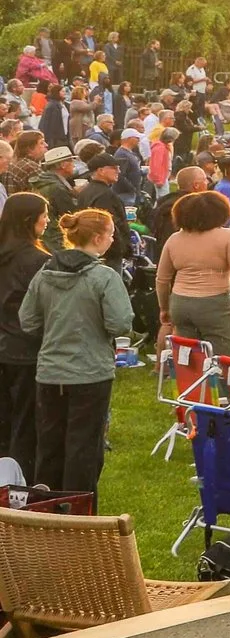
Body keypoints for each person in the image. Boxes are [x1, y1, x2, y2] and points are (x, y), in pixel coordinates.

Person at [18, 207, 132, 493]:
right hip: (90, 373)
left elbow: (27, 320)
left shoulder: (45, 274)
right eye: (110, 234)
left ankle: (46, 509)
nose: (112, 239)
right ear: (97, 238)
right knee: (84, 445)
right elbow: (120, 323)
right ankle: (78, 514)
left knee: (50, 445)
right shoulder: (104, 277)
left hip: (50, 372)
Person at [156, 189, 230, 357]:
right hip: (213, 303)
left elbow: (162, 280)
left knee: (188, 357)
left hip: (180, 303)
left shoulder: (174, 239)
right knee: (224, 357)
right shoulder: (227, 237)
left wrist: (164, 308)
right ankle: (221, 383)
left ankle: (190, 383)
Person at [0, 192, 48, 472]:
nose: (47, 221)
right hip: (26, 347)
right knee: (25, 420)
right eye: (44, 216)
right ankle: (18, 478)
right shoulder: (36, 260)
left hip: (8, 343)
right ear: (30, 220)